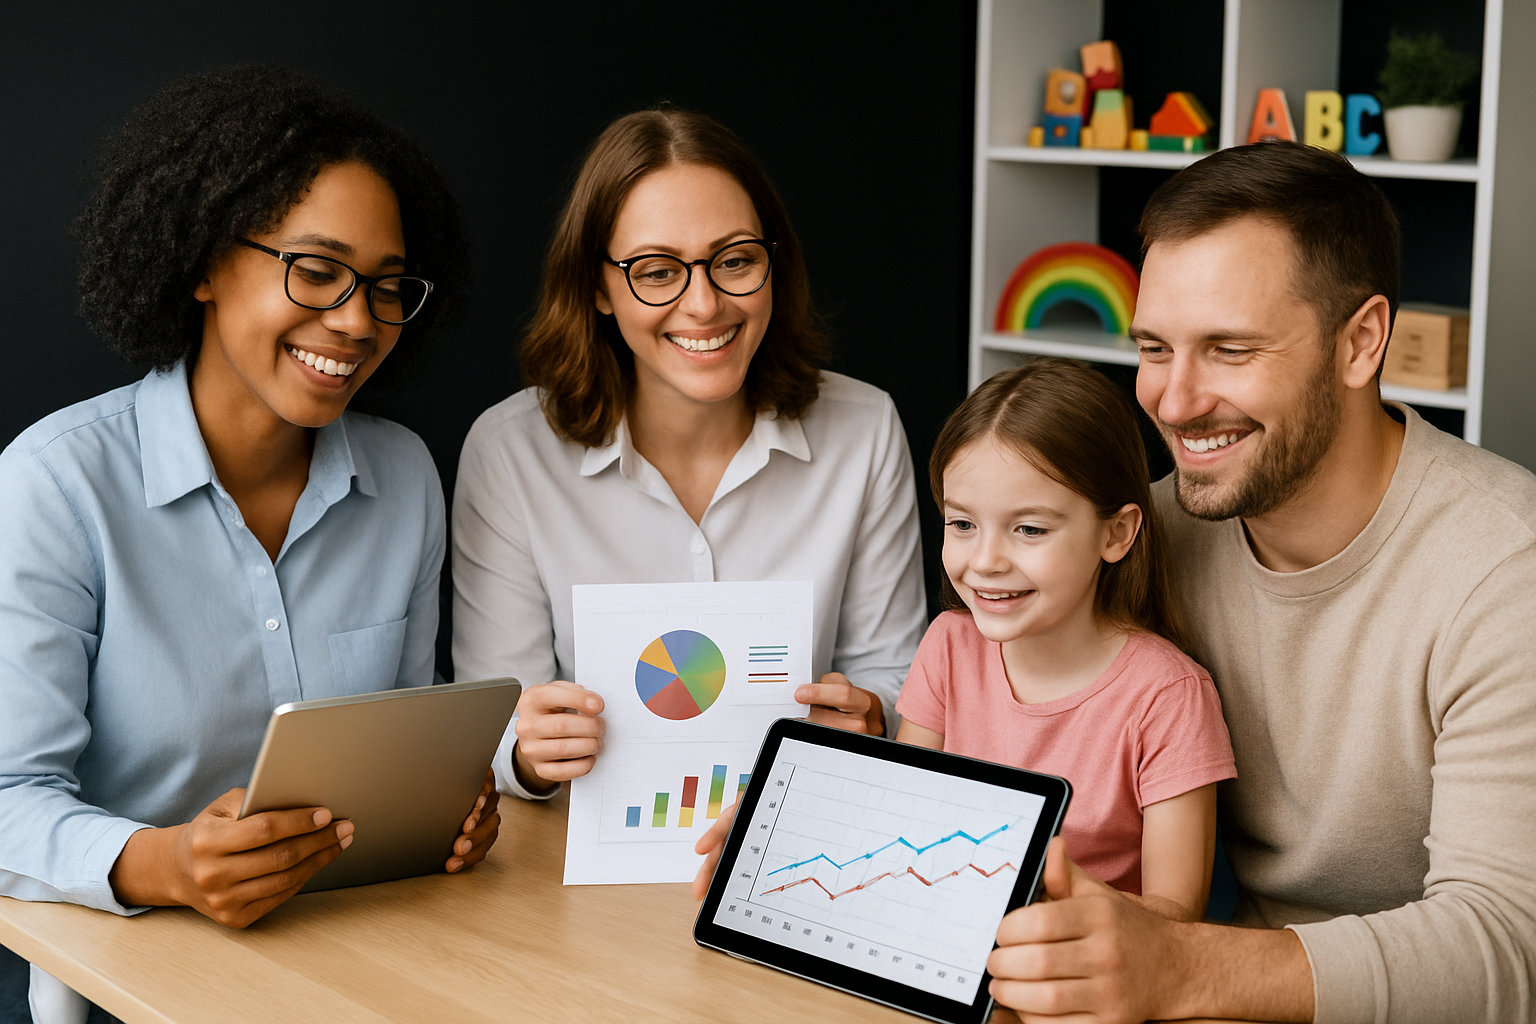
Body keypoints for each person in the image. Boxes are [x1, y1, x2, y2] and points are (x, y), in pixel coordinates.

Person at [983, 141, 1536, 1023]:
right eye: (1155, 348)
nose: (1172, 399)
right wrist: (874, 754)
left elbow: (1506, 950)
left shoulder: (1507, 569)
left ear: (1361, 342)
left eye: (1229, 350)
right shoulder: (1147, 535)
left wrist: (1181, 966)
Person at [0, 66, 492, 1024]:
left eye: (387, 287)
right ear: (202, 262)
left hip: (367, 972)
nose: (355, 321)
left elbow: (407, 748)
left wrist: (450, 814)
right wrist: (167, 864)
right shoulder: (57, 485)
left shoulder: (405, 481)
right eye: (315, 270)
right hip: (123, 990)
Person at [451, 108, 927, 799]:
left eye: (735, 261)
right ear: (597, 286)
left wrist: (873, 718)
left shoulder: (865, 429)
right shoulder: (510, 452)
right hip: (578, 858)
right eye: (656, 271)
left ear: (773, 263)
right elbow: (494, 721)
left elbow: (895, 673)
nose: (704, 305)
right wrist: (526, 755)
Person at [893, 358, 1235, 922]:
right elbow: (900, 824)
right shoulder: (949, 646)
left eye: (1029, 529)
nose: (985, 562)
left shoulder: (1168, 696)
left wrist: (1037, 897)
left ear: (1116, 533)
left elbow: (1175, 917)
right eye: (962, 524)